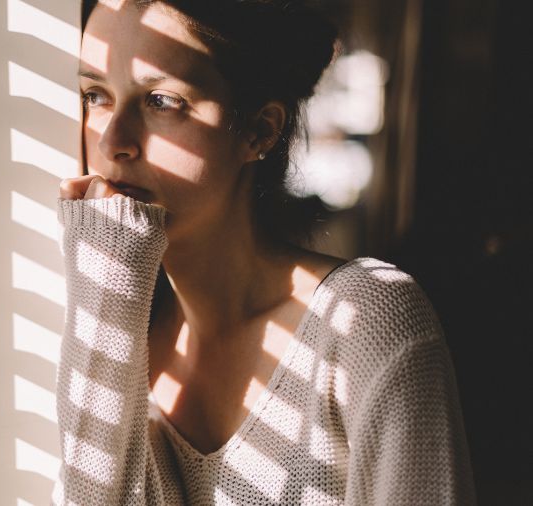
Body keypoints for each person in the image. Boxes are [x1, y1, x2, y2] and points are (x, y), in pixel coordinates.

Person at [52, 0, 475, 504]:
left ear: (259, 130)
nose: (112, 143)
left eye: (161, 101)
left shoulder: (366, 324)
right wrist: (107, 283)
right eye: (95, 95)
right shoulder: (115, 330)